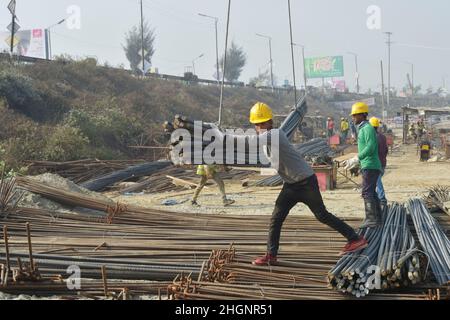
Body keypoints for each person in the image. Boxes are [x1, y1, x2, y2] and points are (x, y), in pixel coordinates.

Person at [244, 102, 367, 266]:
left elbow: (251, 142)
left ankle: (355, 238)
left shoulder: (275, 134)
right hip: (290, 185)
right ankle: (271, 255)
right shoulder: (267, 140)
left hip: (306, 183)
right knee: (276, 218)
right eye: (257, 124)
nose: (260, 126)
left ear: (270, 122)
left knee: (322, 215)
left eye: (262, 123)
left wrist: (222, 139)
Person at [345, 102, 382, 229]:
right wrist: (358, 161)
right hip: (369, 164)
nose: (353, 117)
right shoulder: (364, 129)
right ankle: (378, 217)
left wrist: (357, 158)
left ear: (362, 115)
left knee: (366, 192)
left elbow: (370, 147)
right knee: (371, 192)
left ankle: (371, 220)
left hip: (370, 165)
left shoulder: (367, 129)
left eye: (355, 115)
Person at [370, 117, 388, 208]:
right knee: (377, 180)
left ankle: (382, 198)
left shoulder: (373, 138)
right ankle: (377, 198)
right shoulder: (383, 137)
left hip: (376, 163)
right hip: (383, 163)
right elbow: (386, 150)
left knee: (377, 180)